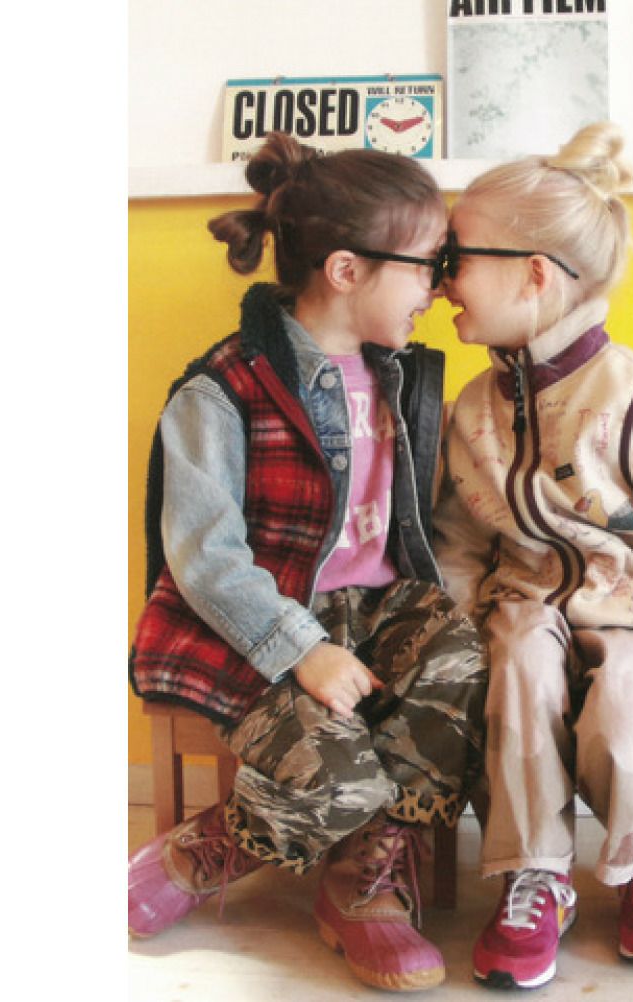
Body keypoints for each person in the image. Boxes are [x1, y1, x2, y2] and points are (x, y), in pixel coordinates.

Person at [127, 131, 486, 993]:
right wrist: (303, 650)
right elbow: (205, 559)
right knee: (341, 774)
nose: (439, 289)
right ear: (346, 270)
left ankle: (362, 882)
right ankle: (205, 849)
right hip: (261, 620)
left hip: (379, 611)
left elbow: (419, 527)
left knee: (466, 667)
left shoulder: (408, 379)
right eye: (429, 266)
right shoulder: (222, 389)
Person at [431, 121, 633, 990]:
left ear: (534, 274)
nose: (441, 278)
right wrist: (446, 646)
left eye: (456, 257)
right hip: (524, 608)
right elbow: (459, 541)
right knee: (518, 658)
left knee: (626, 690)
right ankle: (533, 872)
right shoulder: (473, 408)